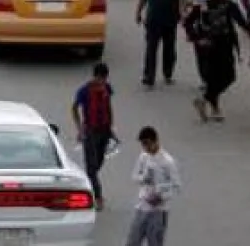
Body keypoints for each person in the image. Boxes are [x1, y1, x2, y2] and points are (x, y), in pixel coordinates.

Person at [183, 0, 248, 122]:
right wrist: (197, 39)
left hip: (226, 45)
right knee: (213, 77)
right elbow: (187, 23)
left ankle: (204, 99)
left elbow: (241, 21)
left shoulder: (229, 5)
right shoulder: (202, 6)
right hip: (209, 47)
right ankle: (215, 109)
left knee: (229, 76)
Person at [70, 62, 116, 210]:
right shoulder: (84, 90)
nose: (102, 81)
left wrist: (111, 128)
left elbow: (109, 107)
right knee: (91, 167)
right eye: (100, 78)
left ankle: (87, 183)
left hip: (104, 131)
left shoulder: (107, 89)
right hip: (90, 131)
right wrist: (80, 128)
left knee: (98, 162)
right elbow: (74, 108)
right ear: (95, 76)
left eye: (104, 78)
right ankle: (98, 196)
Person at [136, 0, 185, 87]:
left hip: (170, 20)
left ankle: (168, 73)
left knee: (169, 49)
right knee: (151, 49)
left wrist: (183, 14)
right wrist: (138, 13)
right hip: (153, 20)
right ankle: (149, 76)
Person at [127, 127, 180, 246]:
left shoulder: (167, 161)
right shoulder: (143, 157)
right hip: (142, 205)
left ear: (156, 141)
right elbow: (134, 176)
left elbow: (176, 184)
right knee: (132, 241)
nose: (146, 148)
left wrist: (162, 196)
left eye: (148, 144)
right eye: (143, 145)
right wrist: (144, 178)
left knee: (155, 242)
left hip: (159, 209)